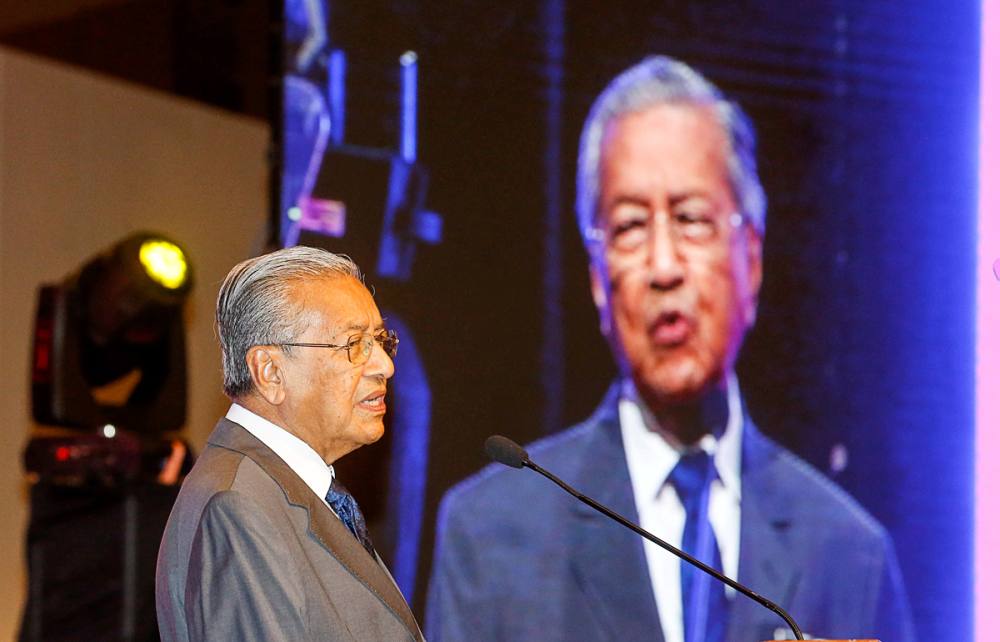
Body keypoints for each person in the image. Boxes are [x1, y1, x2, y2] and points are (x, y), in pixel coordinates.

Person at [427, 56, 915, 642]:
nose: (663, 267)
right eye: (631, 226)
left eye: (691, 219)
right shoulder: (493, 533)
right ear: (595, 276)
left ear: (751, 259)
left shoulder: (848, 555)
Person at [156, 246, 424, 641]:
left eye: (381, 340)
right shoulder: (239, 506)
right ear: (270, 371)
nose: (385, 365)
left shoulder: (283, 490)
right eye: (355, 344)